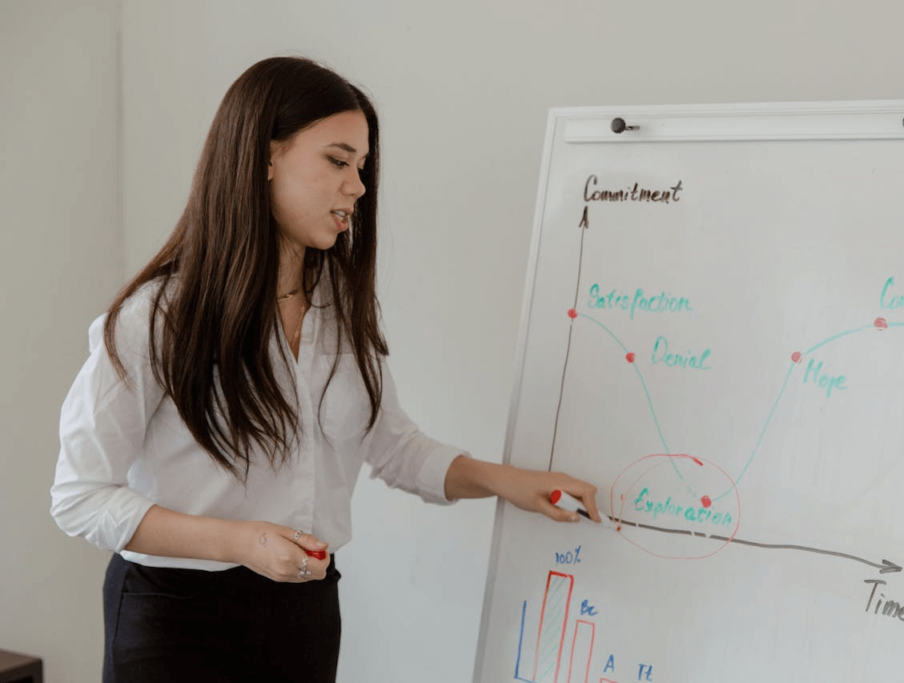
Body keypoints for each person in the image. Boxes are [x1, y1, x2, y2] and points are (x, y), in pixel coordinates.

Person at [50, 56, 599, 683]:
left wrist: (510, 482)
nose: (358, 188)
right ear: (263, 158)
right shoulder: (156, 318)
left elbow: (395, 448)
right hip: (176, 615)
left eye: (361, 168)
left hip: (305, 610)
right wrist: (241, 543)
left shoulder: (342, 308)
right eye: (337, 161)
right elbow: (80, 497)